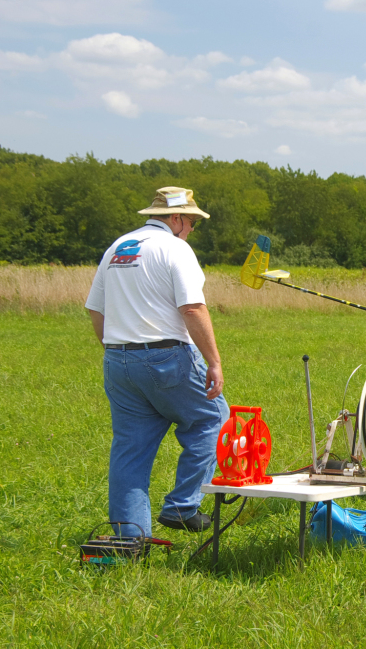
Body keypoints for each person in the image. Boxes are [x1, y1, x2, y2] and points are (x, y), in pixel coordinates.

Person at [85, 186, 226, 537]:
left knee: (130, 449)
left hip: (117, 360)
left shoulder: (118, 247)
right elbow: (192, 308)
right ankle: (182, 506)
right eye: (191, 221)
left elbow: (95, 307)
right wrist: (214, 362)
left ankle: (129, 539)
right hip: (165, 356)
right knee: (213, 420)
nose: (192, 228)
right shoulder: (175, 248)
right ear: (175, 218)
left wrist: (115, 349)